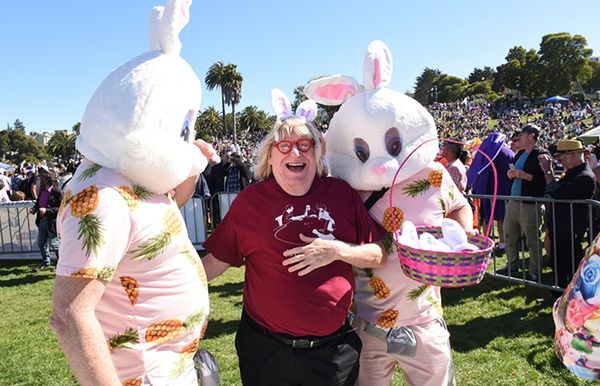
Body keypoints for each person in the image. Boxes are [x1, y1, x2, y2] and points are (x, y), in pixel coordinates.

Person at [51, 1, 218, 384]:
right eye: (181, 129)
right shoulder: (99, 196)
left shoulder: (134, 183)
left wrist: (191, 167)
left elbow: (152, 226)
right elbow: (70, 316)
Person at [202, 113, 385, 386]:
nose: (295, 152)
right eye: (284, 146)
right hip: (266, 351)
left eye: (304, 144)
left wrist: (336, 251)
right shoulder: (249, 203)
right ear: (271, 157)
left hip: (332, 352)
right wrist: (162, 282)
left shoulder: (342, 194)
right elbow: (216, 262)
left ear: (317, 153)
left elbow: (378, 253)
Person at [538, 139, 595, 292]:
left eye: (562, 159)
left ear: (573, 155)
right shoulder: (571, 173)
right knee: (558, 264)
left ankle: (569, 298)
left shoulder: (584, 177)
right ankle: (557, 294)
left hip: (570, 228)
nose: (561, 163)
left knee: (569, 266)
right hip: (561, 227)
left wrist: (548, 171)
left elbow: (557, 192)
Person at [501, 124, 547, 281]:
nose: (519, 137)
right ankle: (512, 265)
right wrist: (511, 174)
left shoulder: (541, 155)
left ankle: (535, 270)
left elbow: (544, 180)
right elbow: (513, 174)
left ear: (531, 136)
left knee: (533, 239)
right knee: (510, 235)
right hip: (514, 201)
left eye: (522, 134)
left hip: (530, 203)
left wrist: (524, 175)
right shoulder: (519, 154)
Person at [466, 132, 515, 256]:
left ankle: (487, 241)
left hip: (487, 190)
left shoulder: (485, 153)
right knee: (501, 218)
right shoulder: (508, 153)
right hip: (503, 191)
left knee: (487, 217)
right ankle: (503, 242)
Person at [30, 171, 62, 269]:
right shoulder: (43, 191)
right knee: (41, 243)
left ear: (50, 179)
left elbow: (61, 207)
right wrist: (34, 209)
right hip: (42, 221)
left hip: (51, 221)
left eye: (44, 178)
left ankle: (60, 263)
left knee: (55, 244)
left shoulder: (56, 191)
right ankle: (46, 262)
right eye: (42, 178)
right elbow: (38, 203)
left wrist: (47, 211)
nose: (42, 180)